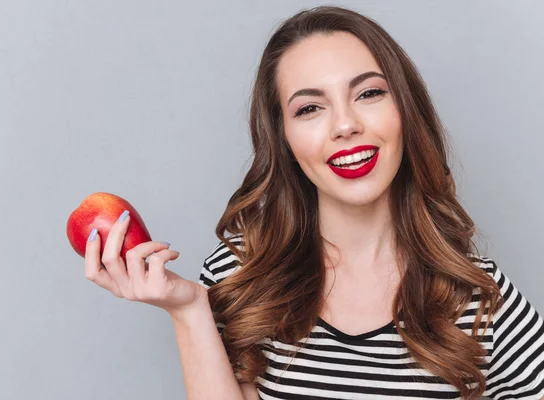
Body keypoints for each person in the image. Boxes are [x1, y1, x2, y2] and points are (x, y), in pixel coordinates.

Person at [83, 5, 544, 400]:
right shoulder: (242, 279)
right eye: (309, 108)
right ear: (284, 139)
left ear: (406, 111)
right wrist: (187, 310)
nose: (345, 125)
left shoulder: (481, 299)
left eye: (368, 93)